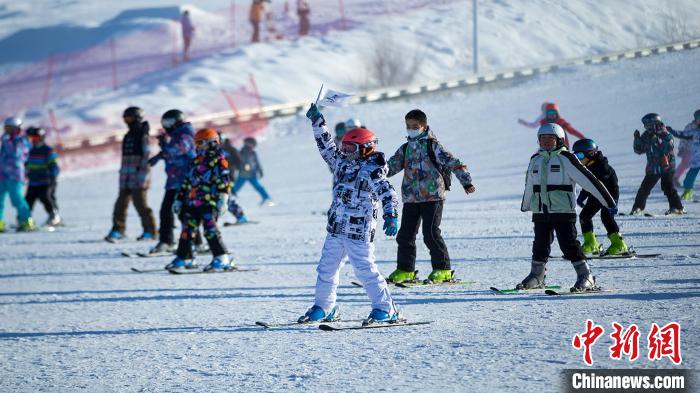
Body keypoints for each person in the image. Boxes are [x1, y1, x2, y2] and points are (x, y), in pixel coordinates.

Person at [300, 103, 400, 325]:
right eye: (344, 148)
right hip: (336, 227)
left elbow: (387, 193)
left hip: (358, 230)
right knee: (326, 268)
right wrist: (318, 122)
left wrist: (391, 215)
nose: (344, 152)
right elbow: (326, 148)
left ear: (365, 149)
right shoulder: (342, 164)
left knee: (365, 270)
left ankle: (386, 308)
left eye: (350, 149)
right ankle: (324, 306)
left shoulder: (372, 170)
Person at [519, 123, 617, 292]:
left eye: (551, 138)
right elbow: (529, 184)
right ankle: (537, 276)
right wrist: (526, 204)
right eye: (543, 139)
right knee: (540, 245)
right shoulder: (535, 159)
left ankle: (586, 277)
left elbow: (590, 181)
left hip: (563, 210)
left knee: (569, 245)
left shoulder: (567, 158)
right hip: (541, 210)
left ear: (560, 140)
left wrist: (608, 202)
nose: (547, 142)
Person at [385, 109, 475, 284]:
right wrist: (371, 173)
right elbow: (390, 167)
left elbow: (454, 162)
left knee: (431, 233)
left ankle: (443, 269)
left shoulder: (432, 146)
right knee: (405, 235)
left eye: (415, 126)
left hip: (433, 197)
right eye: (408, 126)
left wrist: (467, 182)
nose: (411, 129)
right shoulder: (405, 149)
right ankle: (405, 270)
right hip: (411, 198)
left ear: (424, 126)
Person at [166, 128, 233, 272]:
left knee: (210, 230)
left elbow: (224, 181)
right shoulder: (195, 161)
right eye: (196, 143)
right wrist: (179, 198)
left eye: (201, 143)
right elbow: (187, 181)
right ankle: (185, 257)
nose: (197, 146)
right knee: (187, 230)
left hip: (210, 202)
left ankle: (222, 257)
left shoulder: (219, 161)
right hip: (193, 202)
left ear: (213, 143)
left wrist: (223, 198)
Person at [147, 109, 196, 254]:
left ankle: (189, 242)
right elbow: (172, 152)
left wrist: (163, 146)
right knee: (175, 211)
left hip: (185, 180)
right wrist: (161, 154)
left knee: (180, 212)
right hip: (175, 180)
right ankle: (170, 241)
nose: (166, 126)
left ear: (177, 121)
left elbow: (179, 149)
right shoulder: (177, 134)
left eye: (168, 122)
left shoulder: (185, 133)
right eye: (164, 123)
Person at [105, 107, 157, 242]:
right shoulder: (128, 135)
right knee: (120, 205)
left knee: (141, 205)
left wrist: (142, 177)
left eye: (130, 118)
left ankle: (150, 231)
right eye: (125, 118)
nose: (127, 121)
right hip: (126, 178)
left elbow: (146, 157)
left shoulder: (143, 135)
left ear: (137, 118)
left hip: (139, 178)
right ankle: (118, 230)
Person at [572, 139, 629, 256]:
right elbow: (589, 185)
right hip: (596, 195)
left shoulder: (603, 166)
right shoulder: (587, 166)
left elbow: (598, 184)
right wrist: (581, 197)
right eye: (576, 155)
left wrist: (612, 203)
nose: (578, 158)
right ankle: (591, 244)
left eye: (580, 155)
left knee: (606, 216)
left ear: (591, 153)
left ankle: (619, 245)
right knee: (584, 216)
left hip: (610, 195)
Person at [630, 113, 685, 215]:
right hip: (653, 167)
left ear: (656, 123)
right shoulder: (646, 135)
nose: (647, 127)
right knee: (644, 188)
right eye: (645, 125)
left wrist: (657, 140)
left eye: (649, 125)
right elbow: (639, 150)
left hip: (666, 166)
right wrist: (637, 139)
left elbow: (668, 147)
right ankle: (637, 208)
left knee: (668, 187)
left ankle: (677, 207)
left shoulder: (665, 133)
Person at [0, 117, 34, 232]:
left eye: (10, 128)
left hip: (15, 175)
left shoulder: (22, 140)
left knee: (16, 199)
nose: (7, 131)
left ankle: (26, 221)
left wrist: (8, 141)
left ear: (17, 128)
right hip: (3, 174)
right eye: (6, 128)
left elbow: (15, 153)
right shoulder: (6, 140)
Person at [24, 126, 61, 226]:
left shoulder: (47, 150)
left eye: (35, 138)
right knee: (28, 200)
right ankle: (25, 219)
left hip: (46, 181)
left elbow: (54, 166)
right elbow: (26, 164)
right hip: (33, 181)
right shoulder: (29, 150)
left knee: (46, 197)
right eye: (31, 138)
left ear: (41, 138)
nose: (33, 141)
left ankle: (54, 216)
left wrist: (52, 178)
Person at [668, 109, 700, 201]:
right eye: (699, 118)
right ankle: (687, 192)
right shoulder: (695, 132)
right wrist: (672, 131)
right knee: (689, 178)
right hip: (696, 160)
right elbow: (683, 134)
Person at [232, 137, 273, 205]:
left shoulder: (253, 153)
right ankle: (228, 198)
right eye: (252, 144)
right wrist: (236, 168)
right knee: (236, 188)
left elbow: (257, 163)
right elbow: (237, 162)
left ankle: (266, 198)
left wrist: (260, 171)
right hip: (242, 175)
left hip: (252, 174)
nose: (253, 146)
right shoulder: (241, 152)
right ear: (247, 144)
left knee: (258, 187)